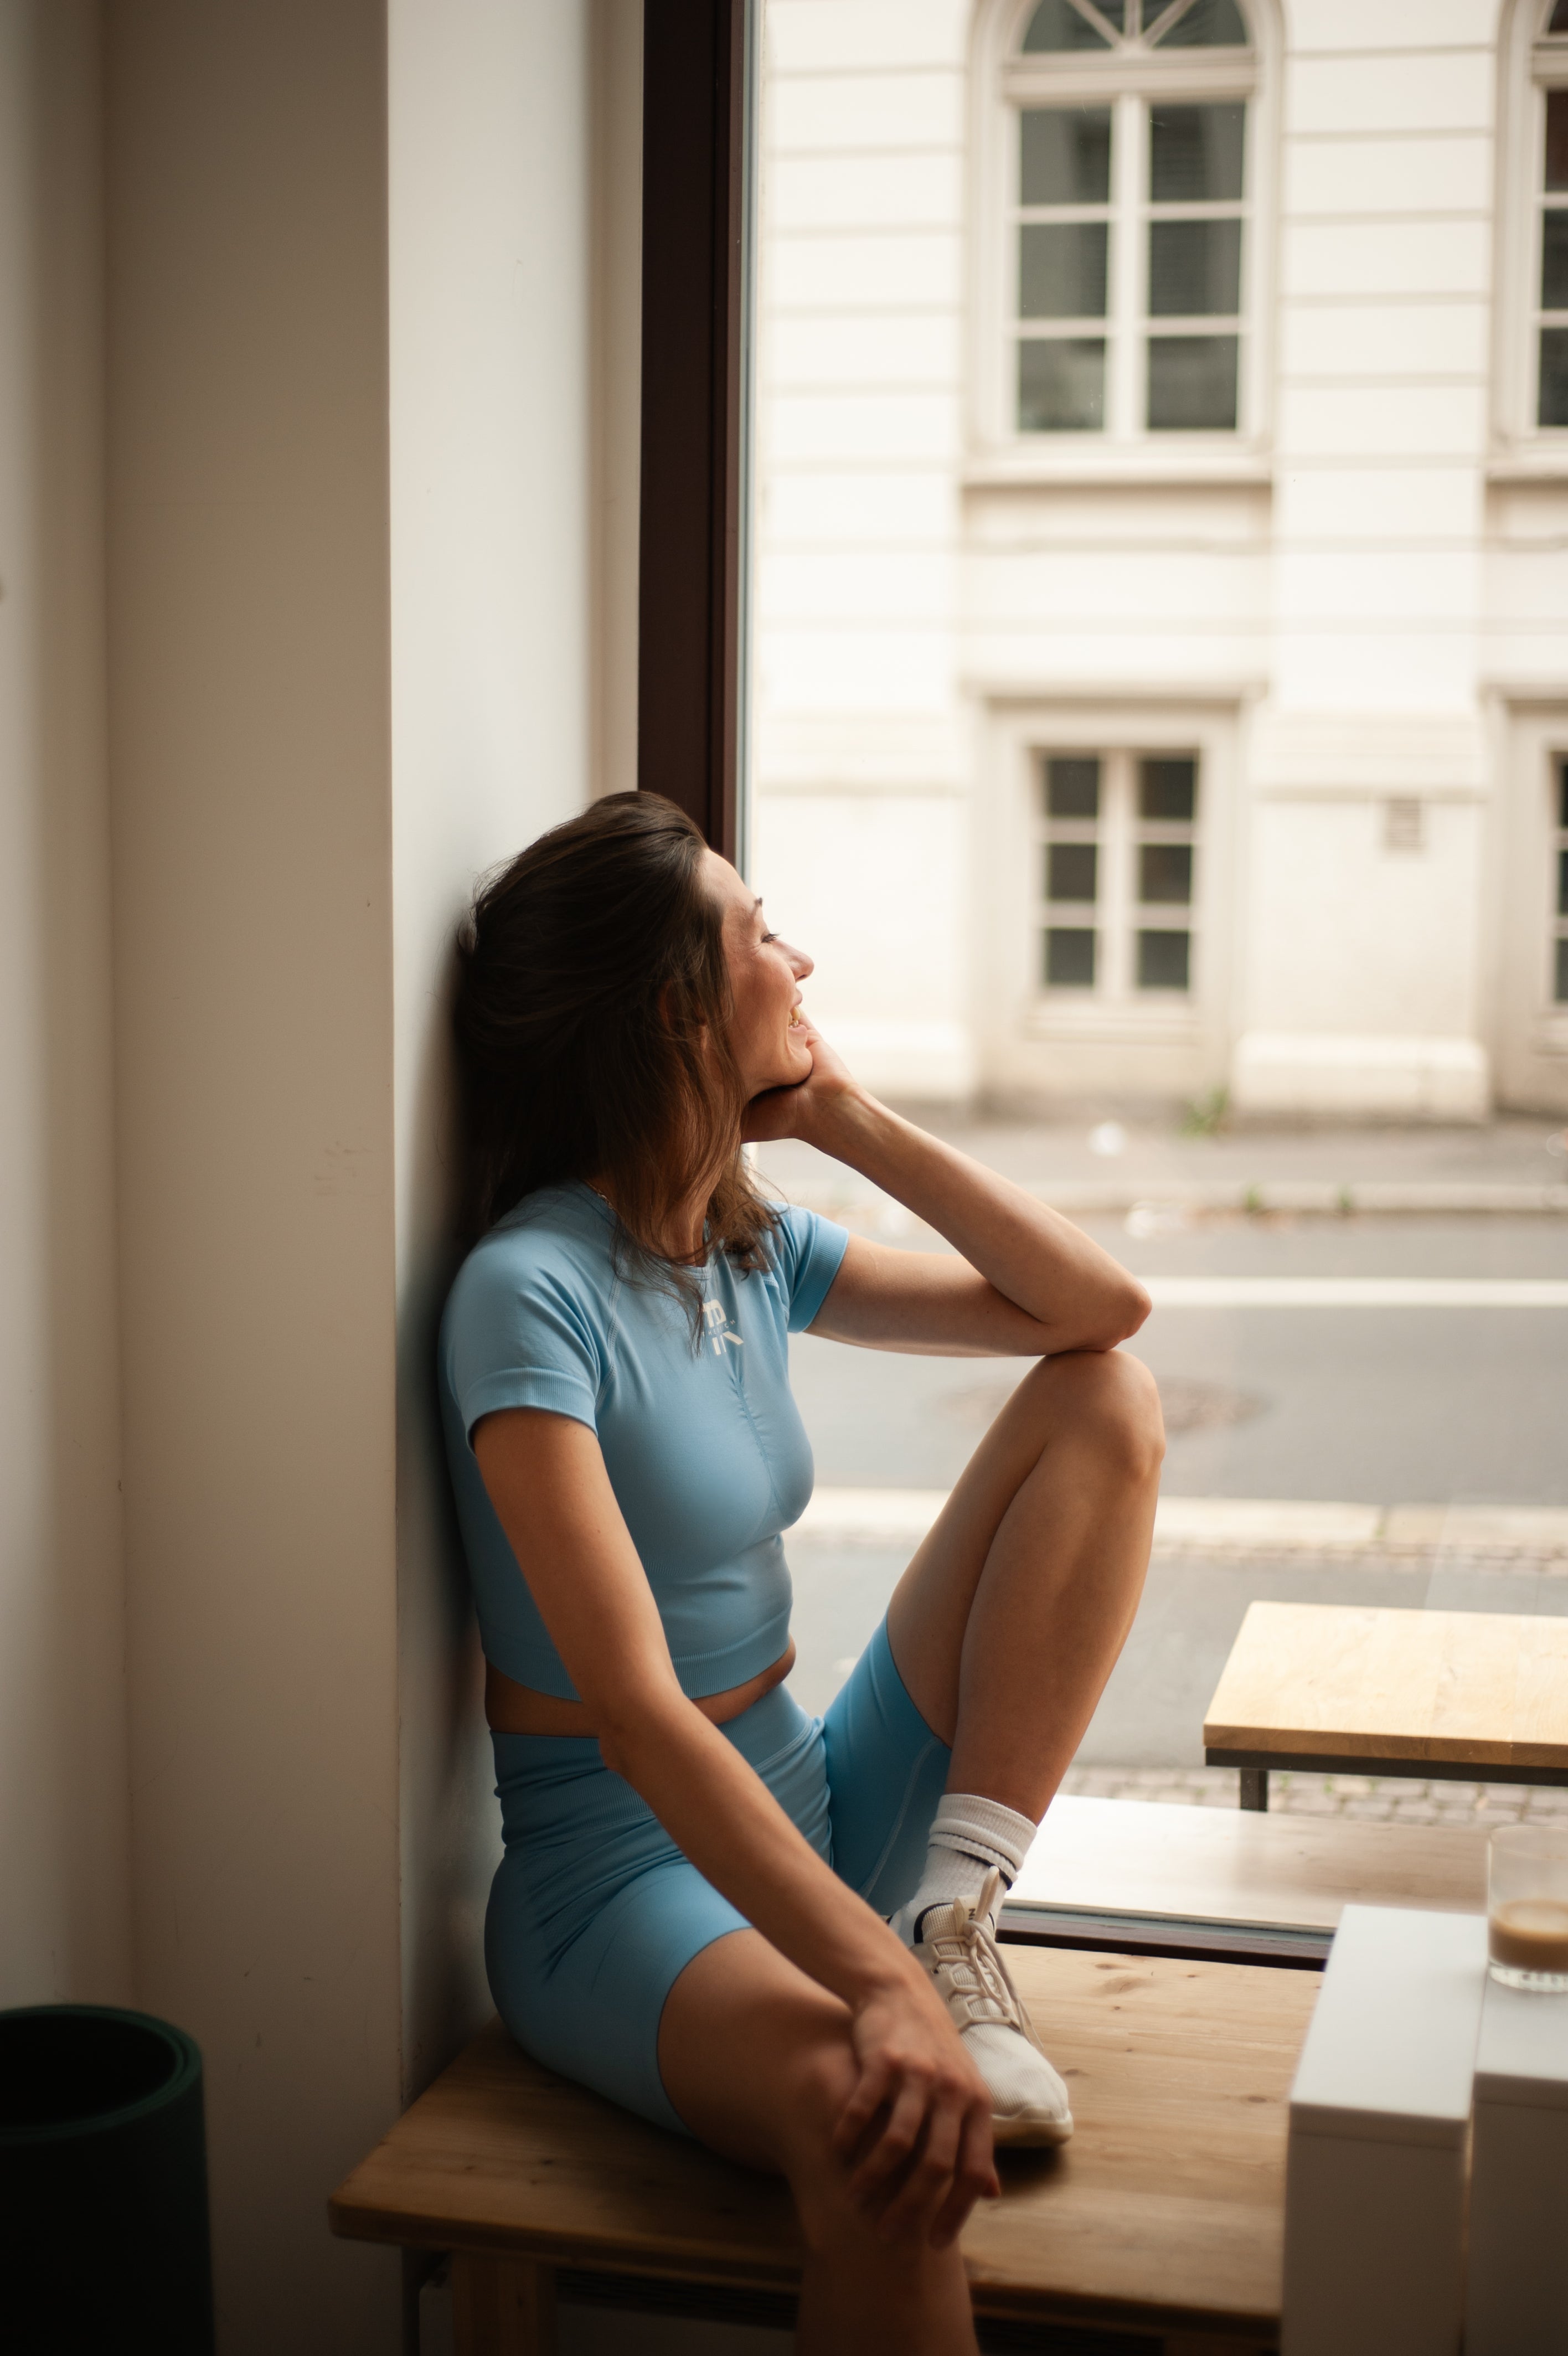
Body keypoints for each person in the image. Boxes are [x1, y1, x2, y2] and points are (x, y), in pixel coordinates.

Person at [440, 792, 1163, 2355]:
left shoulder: (744, 1246)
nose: (803, 957)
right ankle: (905, 1978)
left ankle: (953, 1925)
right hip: (620, 1881)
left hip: (811, 1803)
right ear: (674, 1009)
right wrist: (866, 2000)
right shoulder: (527, 1298)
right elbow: (631, 1711)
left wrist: (846, 1118)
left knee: (1103, 1404)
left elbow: (1096, 1311)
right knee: (877, 2135)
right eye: (764, 933)